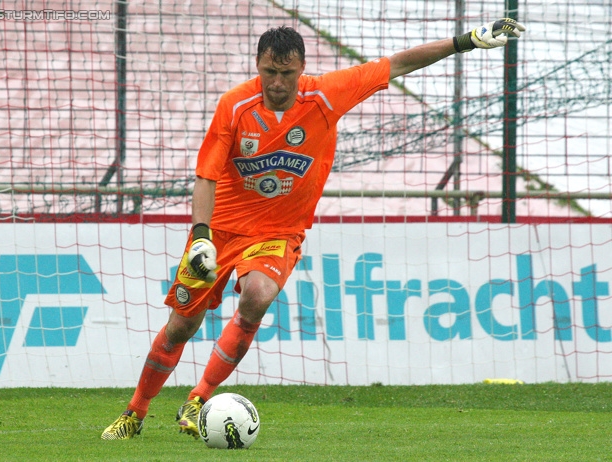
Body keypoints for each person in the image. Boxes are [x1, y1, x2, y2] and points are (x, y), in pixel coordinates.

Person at [101, 17, 525, 440]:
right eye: (270, 72)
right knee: (181, 326)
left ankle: (197, 400)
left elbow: (397, 64)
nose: (278, 82)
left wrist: (466, 41)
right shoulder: (234, 105)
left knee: (258, 297)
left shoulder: (326, 94)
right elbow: (206, 177)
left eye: (287, 73)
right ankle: (135, 413)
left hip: (277, 234)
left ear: (302, 68)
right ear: (257, 66)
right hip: (222, 231)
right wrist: (200, 236)